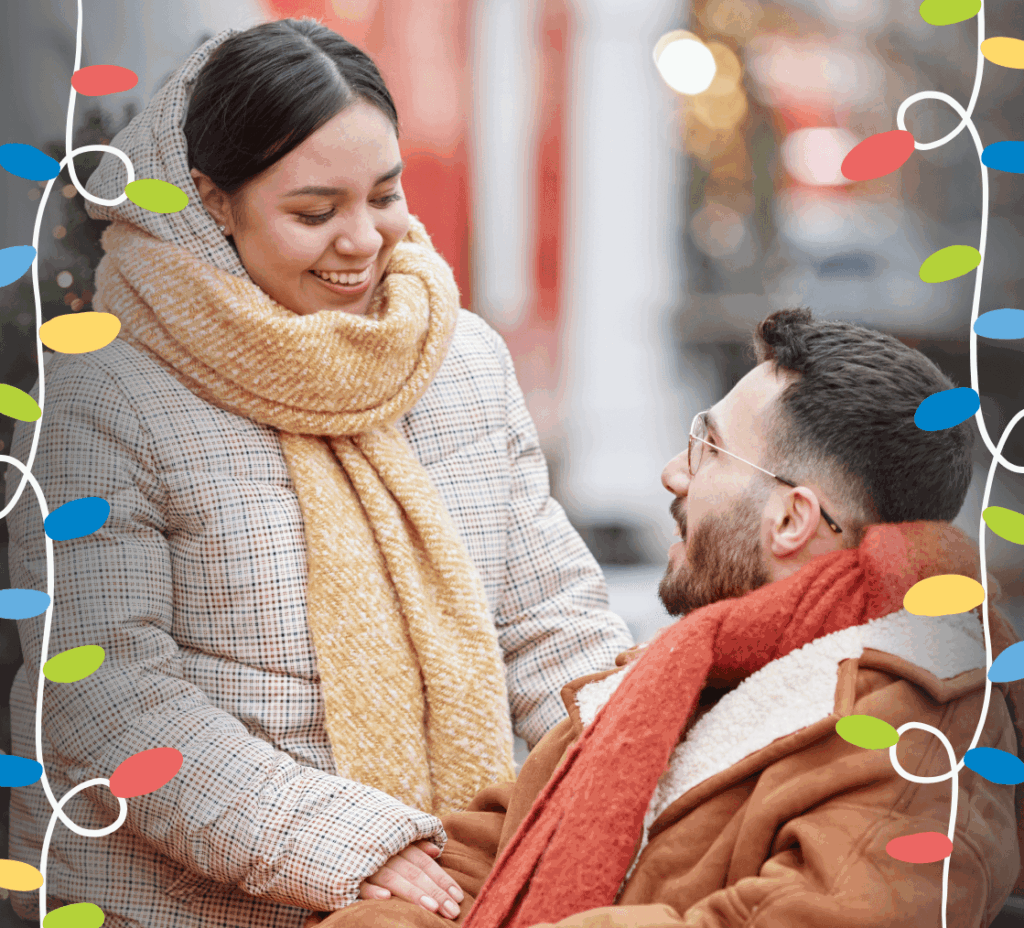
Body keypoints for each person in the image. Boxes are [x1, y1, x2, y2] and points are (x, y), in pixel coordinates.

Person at [4, 20, 634, 928]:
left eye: (385, 195)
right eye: (314, 212)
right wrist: (354, 845)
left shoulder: (459, 360)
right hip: (174, 905)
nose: (362, 241)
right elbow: (104, 696)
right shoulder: (102, 398)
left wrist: (643, 757)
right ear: (213, 200)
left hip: (449, 882)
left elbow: (548, 619)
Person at [309, 309, 1024, 928]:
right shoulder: (698, 665)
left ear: (790, 517)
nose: (673, 474)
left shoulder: (923, 740)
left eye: (706, 448)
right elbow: (483, 856)